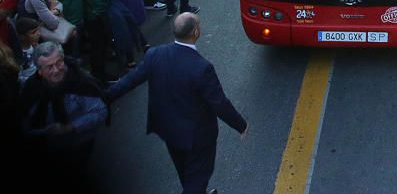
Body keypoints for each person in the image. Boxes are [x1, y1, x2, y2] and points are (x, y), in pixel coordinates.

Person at [106, 13, 248, 194]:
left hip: (168, 131)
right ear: (196, 32)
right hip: (197, 138)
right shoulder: (202, 68)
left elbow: (130, 81)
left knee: (184, 171)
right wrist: (241, 125)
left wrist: (105, 96)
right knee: (197, 179)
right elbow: (219, 104)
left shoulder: (155, 55)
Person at [18, 41, 108, 186]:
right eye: (49, 67)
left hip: (80, 142)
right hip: (47, 148)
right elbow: (25, 120)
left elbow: (100, 111)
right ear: (39, 71)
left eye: (59, 62)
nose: (56, 70)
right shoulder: (31, 89)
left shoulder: (80, 82)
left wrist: (70, 127)